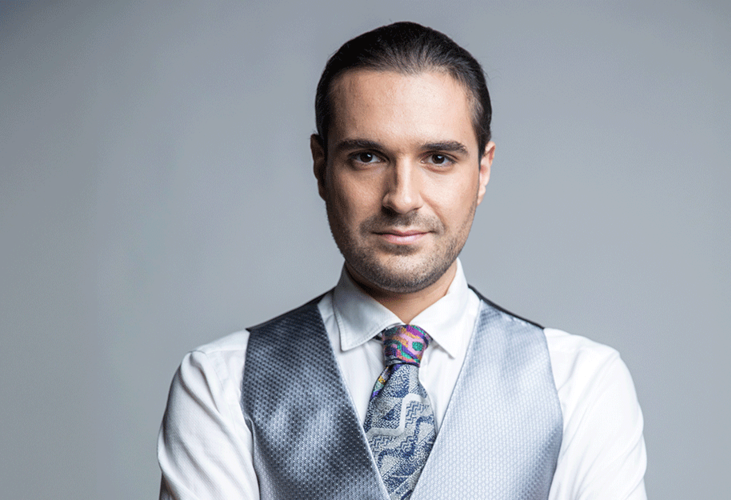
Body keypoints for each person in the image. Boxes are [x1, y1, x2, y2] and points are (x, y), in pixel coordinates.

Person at [157, 21, 647, 500]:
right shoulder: (221, 383)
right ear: (321, 168)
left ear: (482, 171)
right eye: (367, 157)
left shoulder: (579, 384)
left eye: (438, 158)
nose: (403, 198)